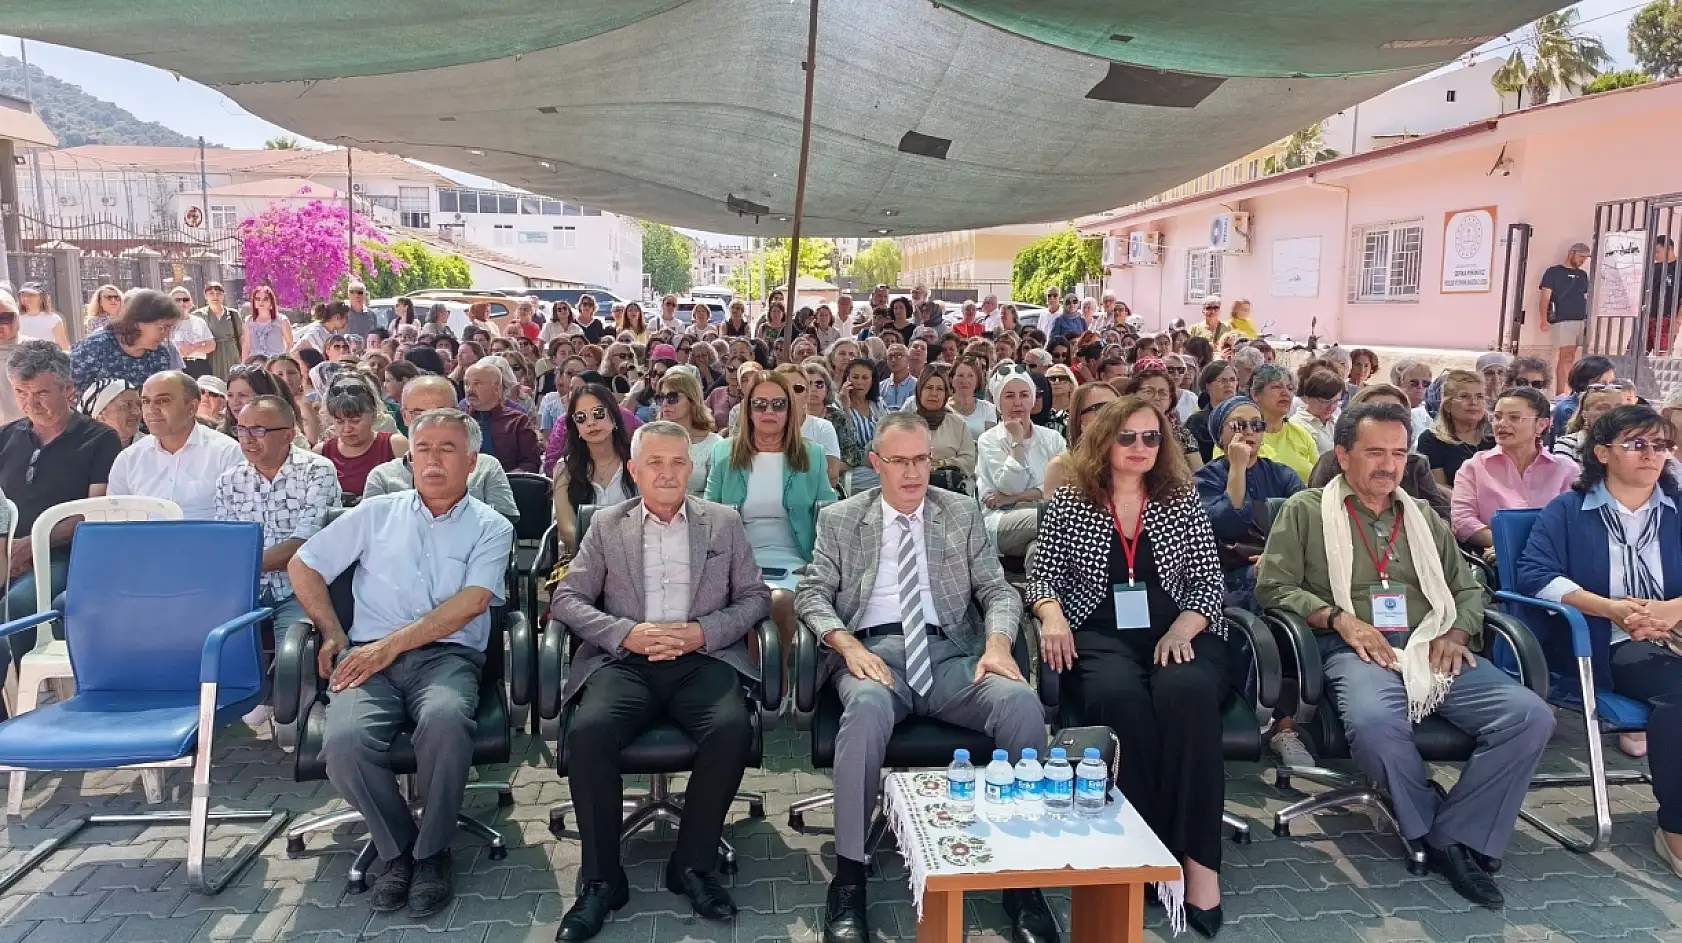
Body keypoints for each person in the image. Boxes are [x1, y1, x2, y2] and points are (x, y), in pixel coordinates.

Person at [1255, 402, 1555, 909]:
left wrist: (1459, 632)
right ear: (1344, 455)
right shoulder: (1306, 510)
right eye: (1375, 452)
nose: (1388, 465)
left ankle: (1450, 834)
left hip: (1430, 644)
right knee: (1375, 725)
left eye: (1398, 453)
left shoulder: (1421, 515)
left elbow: (1468, 587)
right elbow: (1273, 588)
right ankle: (1436, 829)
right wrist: (1338, 618)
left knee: (1530, 717)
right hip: (1354, 647)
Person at [793, 411, 1051, 943]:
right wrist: (843, 643)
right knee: (864, 710)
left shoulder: (958, 512)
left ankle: (1024, 879)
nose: (913, 473)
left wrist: (999, 643)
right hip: (873, 652)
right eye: (899, 461)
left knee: (1023, 705)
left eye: (922, 460)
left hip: (952, 652)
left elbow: (998, 590)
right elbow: (811, 592)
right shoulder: (841, 518)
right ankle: (848, 880)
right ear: (875, 464)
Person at [290, 408, 514, 918]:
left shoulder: (491, 526)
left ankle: (433, 853)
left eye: (447, 449)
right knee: (343, 743)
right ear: (410, 455)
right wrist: (332, 631)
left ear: (472, 460)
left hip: (447, 657)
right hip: (369, 658)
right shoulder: (376, 512)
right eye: (424, 449)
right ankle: (397, 850)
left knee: (445, 720)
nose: (433, 460)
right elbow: (304, 563)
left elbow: (474, 601)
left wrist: (386, 647)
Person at [550, 422, 769, 940]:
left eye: (677, 463)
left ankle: (691, 865)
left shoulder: (723, 522)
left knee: (732, 728)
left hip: (703, 660)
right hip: (626, 662)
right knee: (588, 732)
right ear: (634, 469)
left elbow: (756, 597)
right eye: (655, 463)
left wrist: (701, 633)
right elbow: (567, 599)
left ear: (692, 469)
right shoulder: (607, 525)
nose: (667, 473)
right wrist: (628, 634)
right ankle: (603, 880)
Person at [1027, 395, 1232, 937]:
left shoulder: (1182, 500)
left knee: (1185, 696)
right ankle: (1143, 847)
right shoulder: (1072, 501)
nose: (1141, 447)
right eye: (1128, 438)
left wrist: (1183, 628)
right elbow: (1042, 577)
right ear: (1105, 442)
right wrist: (1050, 617)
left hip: (1182, 628)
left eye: (1151, 438)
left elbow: (1212, 584)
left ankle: (1198, 862)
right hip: (1099, 634)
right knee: (1122, 702)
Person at [1516, 404, 1682, 857]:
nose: (1652, 455)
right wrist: (1608, 608)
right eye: (1637, 444)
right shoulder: (1568, 510)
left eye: (1661, 446)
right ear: (1603, 453)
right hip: (1609, 642)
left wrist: (1671, 609)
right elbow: (1535, 574)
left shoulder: (1678, 507)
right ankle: (1676, 830)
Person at [0, 341, 123, 666]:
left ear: (68, 389)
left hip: (66, 556)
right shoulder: (6, 436)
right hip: (7, 553)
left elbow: (93, 510)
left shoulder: (100, 439)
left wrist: (32, 544)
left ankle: (32, 693)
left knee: (17, 604)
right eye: (20, 392)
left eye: (40, 393)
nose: (30, 403)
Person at [706, 370, 836, 663]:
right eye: (760, 404)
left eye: (778, 405)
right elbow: (708, 512)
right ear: (748, 410)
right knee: (752, 602)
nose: (769, 411)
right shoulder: (724, 452)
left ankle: (775, 687)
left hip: (795, 559)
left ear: (790, 410)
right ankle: (756, 684)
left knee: (780, 601)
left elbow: (830, 515)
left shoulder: (812, 454)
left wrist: (818, 565)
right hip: (739, 560)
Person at [216, 391, 340, 634]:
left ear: (288, 435)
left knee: (293, 658)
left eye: (258, 430)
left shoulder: (317, 471)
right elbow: (227, 546)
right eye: (241, 430)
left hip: (300, 590)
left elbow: (306, 545)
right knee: (218, 645)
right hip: (244, 592)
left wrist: (242, 563)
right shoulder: (228, 481)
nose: (247, 439)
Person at [1452, 386, 1577, 564]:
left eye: (1514, 418)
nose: (1502, 424)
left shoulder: (1566, 470)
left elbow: (1574, 525)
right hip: (1492, 562)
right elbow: (1462, 522)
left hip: (1553, 562)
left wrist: (1521, 548)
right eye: (1497, 417)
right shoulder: (1474, 467)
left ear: (1541, 425)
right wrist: (1505, 546)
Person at [363, 376, 517, 517]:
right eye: (419, 413)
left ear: (457, 413)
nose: (430, 423)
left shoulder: (486, 467)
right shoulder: (383, 477)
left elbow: (503, 527)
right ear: (404, 416)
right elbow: (371, 532)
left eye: (441, 413)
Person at [109, 370, 243, 519]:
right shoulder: (129, 459)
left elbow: (240, 520)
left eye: (163, 401)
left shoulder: (227, 453)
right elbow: (116, 520)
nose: (151, 410)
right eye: (146, 401)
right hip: (145, 541)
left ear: (191, 407)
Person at [1309, 384, 1452, 521]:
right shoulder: (1332, 461)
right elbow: (1316, 511)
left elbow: (1442, 518)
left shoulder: (1416, 464)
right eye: (1375, 413)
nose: (1389, 466)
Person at [976, 363, 1063, 558]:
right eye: (1009, 396)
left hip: (1043, 518)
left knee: (1039, 549)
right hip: (1001, 520)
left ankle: (1038, 589)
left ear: (1032, 399)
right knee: (1052, 516)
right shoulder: (989, 440)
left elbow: (1064, 485)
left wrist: (1014, 499)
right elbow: (1011, 486)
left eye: (1024, 395)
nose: (1017, 403)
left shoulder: (1052, 438)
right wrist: (1017, 441)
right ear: (998, 402)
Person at [70, 288, 181, 395]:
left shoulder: (160, 355)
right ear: (137, 322)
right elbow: (67, 390)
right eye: (162, 328)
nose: (167, 335)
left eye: (171, 328)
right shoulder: (95, 347)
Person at [319, 379, 410, 497]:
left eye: (355, 421)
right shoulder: (321, 452)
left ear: (373, 415)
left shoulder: (396, 445)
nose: (347, 429)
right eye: (340, 422)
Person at [1418, 369, 1494, 495]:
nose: (1474, 402)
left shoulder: (1495, 436)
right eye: (1464, 396)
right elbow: (1439, 486)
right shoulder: (1431, 439)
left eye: (1479, 396)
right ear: (1447, 405)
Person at [463, 360, 540, 473]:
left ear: (496, 388)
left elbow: (531, 463)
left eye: (477, 383)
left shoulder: (518, 421)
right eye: (467, 384)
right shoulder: (458, 420)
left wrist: (508, 479)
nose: (469, 390)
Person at [1124, 364, 1202, 472]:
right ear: (1133, 394)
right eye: (1149, 391)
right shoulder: (1122, 429)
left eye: (1163, 393)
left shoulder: (1181, 434)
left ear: (1170, 401)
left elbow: (1199, 473)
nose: (1156, 398)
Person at [1539, 242, 1593, 393]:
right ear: (1571, 253)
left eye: (1585, 258)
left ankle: (1571, 390)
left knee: (1574, 357)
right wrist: (1543, 320)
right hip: (1563, 319)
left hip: (1580, 319)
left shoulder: (1583, 275)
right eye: (1581, 256)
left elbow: (1585, 296)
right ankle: (1560, 392)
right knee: (1566, 356)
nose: (1583, 260)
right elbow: (1545, 298)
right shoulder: (1553, 272)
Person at [656, 370, 722, 494]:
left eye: (672, 398)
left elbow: (717, 496)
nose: (665, 404)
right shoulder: (653, 441)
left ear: (692, 400)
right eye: (661, 398)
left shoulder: (715, 445)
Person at [910, 365, 976, 479]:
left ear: (946, 394)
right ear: (919, 390)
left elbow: (969, 462)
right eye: (929, 388)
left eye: (940, 389)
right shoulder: (906, 424)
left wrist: (942, 464)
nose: (934, 394)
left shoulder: (957, 424)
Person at [1551, 379, 1631, 465]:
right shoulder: (1567, 445)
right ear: (1584, 414)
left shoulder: (1630, 444)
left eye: (1617, 407)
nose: (1611, 413)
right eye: (1603, 408)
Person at [1553, 355, 1618, 441]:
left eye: (1611, 384)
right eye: (1601, 384)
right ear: (1584, 383)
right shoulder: (1566, 409)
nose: (1608, 389)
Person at [1187, 361, 1238, 463]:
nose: (1229, 385)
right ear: (1208, 386)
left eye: (1232, 380)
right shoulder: (1196, 421)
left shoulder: (1246, 417)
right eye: (1222, 381)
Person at [194, 281, 245, 379]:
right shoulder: (198, 315)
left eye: (218, 293)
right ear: (205, 296)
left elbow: (241, 337)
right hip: (210, 356)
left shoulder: (233, 314)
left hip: (231, 354)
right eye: (211, 293)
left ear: (223, 296)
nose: (215, 296)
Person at [1291, 370, 1344, 456]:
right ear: (1307, 398)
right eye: (1325, 401)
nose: (1330, 407)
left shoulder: (1337, 421)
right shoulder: (1296, 425)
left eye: (1335, 402)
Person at [168, 287, 217, 378]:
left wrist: (194, 347)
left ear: (190, 302)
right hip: (176, 366)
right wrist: (179, 347)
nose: (182, 303)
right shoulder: (167, 323)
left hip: (199, 365)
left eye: (185, 300)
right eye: (177, 300)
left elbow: (211, 345)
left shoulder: (199, 321)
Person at [80, 378, 142, 448]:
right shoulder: (80, 452)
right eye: (126, 405)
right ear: (100, 415)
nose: (137, 412)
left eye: (139, 405)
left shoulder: (152, 447)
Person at [243, 286, 294, 360]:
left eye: (265, 299)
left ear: (271, 302)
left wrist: (283, 362)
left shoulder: (282, 320)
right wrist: (244, 366)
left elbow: (289, 344)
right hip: (255, 366)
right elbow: (246, 346)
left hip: (275, 365)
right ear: (253, 302)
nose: (261, 302)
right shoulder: (248, 321)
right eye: (257, 299)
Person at [15, 282, 69, 350]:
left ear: (41, 298)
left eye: (31, 295)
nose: (25, 298)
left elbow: (63, 347)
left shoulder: (53, 319)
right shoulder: (15, 318)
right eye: (23, 295)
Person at [878, 344, 916, 410]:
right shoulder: (881, 387)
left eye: (899, 356)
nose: (893, 360)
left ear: (908, 359)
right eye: (890, 356)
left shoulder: (918, 385)